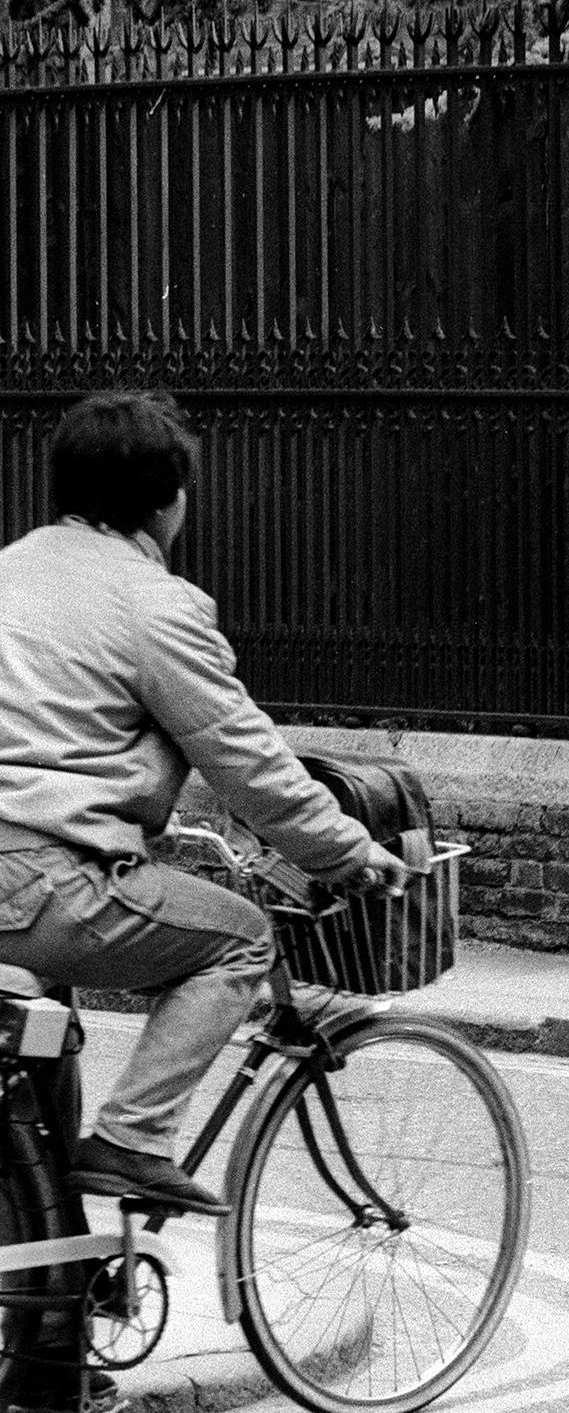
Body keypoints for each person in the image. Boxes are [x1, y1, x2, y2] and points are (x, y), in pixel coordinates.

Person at [0, 391, 410, 1231]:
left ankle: (51, 1343)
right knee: (238, 938)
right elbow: (244, 758)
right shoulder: (155, 605)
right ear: (169, 501)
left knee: (41, 1074)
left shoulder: (7, 570)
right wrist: (349, 852)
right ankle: (133, 1137)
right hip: (36, 883)